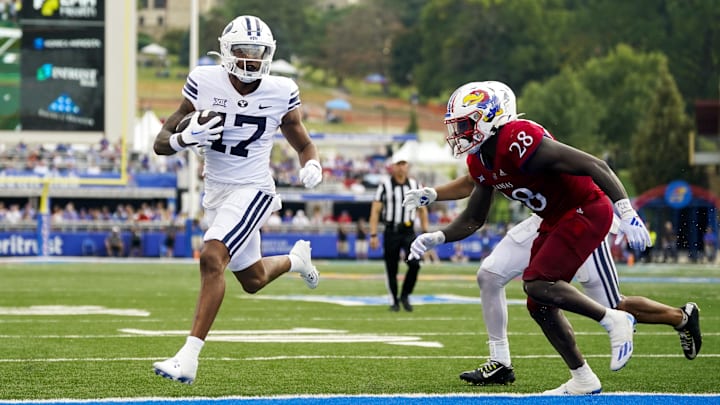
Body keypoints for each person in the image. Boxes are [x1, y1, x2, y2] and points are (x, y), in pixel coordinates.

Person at [405, 80, 650, 395]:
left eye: (465, 125)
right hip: (553, 218)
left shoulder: (517, 138)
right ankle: (583, 378)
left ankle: (613, 319)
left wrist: (626, 211)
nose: (459, 134)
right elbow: (474, 218)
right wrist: (436, 237)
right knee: (539, 303)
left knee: (537, 282)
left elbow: (593, 164)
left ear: (490, 118)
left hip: (585, 209)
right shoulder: (480, 159)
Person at [151, 15, 322, 385]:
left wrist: (312, 163)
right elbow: (161, 141)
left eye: (258, 53)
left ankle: (188, 357)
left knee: (212, 256)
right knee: (253, 279)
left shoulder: (280, 90)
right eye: (243, 52)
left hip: (253, 188)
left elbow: (303, 141)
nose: (251, 60)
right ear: (226, 51)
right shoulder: (204, 80)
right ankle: (296, 260)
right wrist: (185, 137)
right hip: (217, 190)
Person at [406, 203, 702, 388]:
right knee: (491, 276)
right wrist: (434, 194)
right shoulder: (487, 152)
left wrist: (624, 210)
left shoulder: (528, 142)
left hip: (579, 219)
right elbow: (476, 185)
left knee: (611, 304)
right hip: (541, 223)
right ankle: (502, 363)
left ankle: (681, 317)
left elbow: (594, 168)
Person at [368, 154, 430, 312]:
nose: (401, 167)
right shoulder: (384, 186)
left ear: (407, 166)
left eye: (404, 164)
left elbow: (423, 210)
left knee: (415, 264)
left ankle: (405, 295)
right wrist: (373, 234)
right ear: (393, 167)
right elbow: (375, 211)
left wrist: (425, 233)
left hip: (408, 230)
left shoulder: (415, 184)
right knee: (391, 267)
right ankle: (394, 300)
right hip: (391, 230)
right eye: (398, 164)